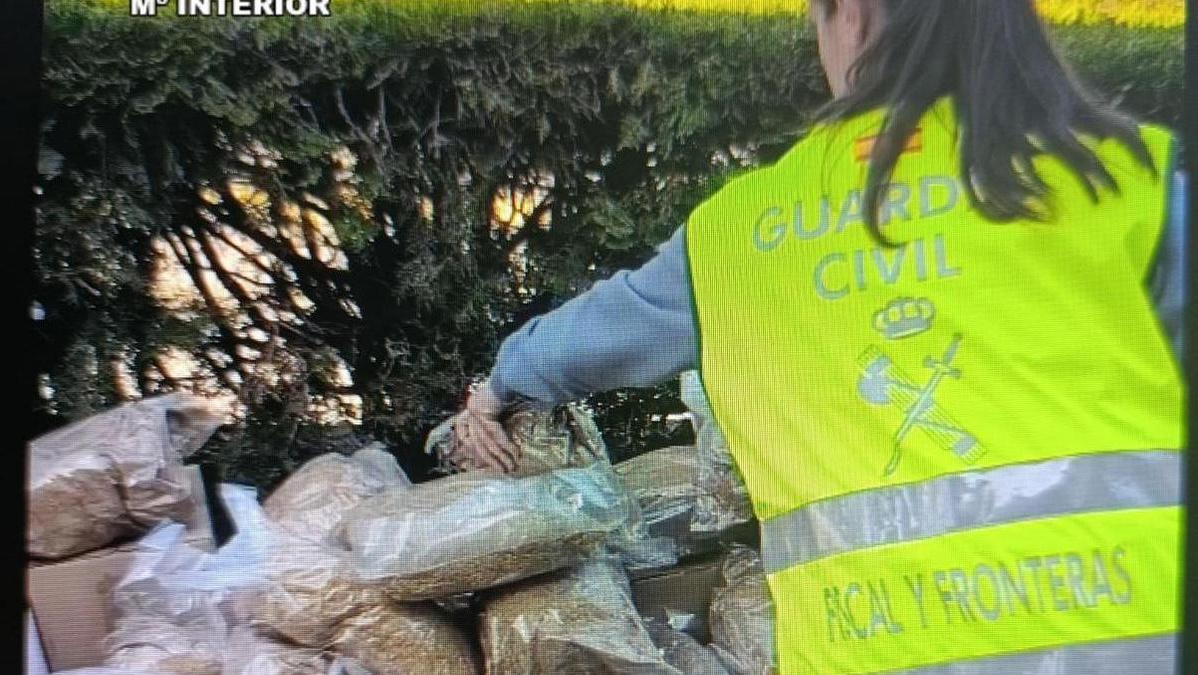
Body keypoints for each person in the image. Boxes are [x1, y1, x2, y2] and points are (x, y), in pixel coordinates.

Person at [448, 1, 1186, 672]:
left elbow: (590, 337)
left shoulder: (745, 234)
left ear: (853, 14)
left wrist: (499, 385)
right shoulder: (1125, 184)